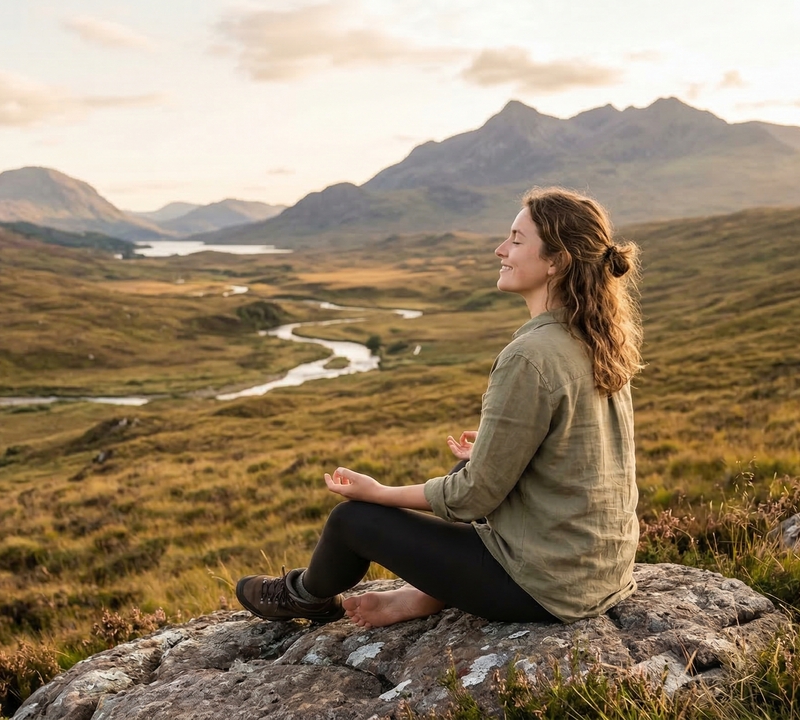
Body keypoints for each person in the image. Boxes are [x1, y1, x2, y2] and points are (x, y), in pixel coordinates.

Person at [236, 187, 643, 628]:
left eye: (516, 240)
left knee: (353, 521)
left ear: (556, 262)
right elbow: (586, 450)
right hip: (600, 573)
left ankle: (304, 597)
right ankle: (424, 596)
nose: (500, 249)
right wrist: (493, 452)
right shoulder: (598, 336)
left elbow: (474, 497)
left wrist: (379, 493)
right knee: (458, 472)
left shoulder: (530, 355)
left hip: (545, 589)